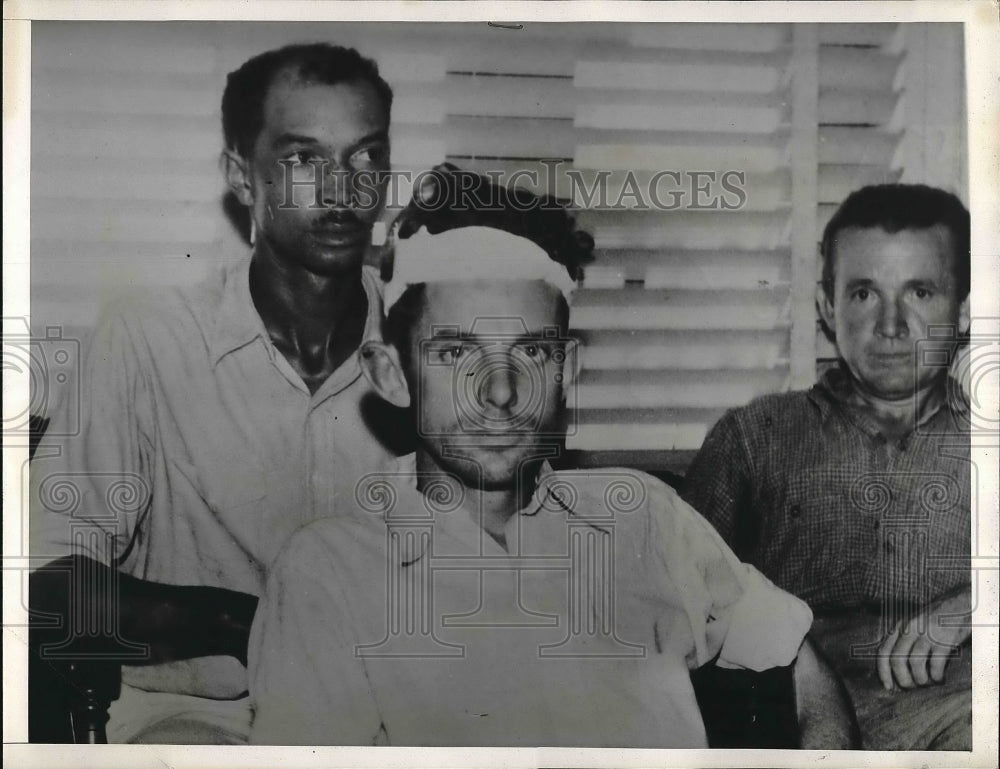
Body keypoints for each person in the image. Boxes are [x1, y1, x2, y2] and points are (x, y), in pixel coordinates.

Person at [247, 180, 858, 747]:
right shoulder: (328, 572)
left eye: (532, 352)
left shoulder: (643, 517)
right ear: (392, 374)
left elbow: (801, 665)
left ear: (566, 373)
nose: (500, 393)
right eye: (457, 352)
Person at [29, 43, 401, 744]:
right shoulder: (147, 341)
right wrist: (245, 621)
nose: (342, 189)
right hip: (203, 719)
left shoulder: (430, 350)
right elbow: (47, 580)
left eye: (364, 157)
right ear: (240, 175)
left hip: (393, 719)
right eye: (303, 158)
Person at [683, 184, 972, 750]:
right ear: (826, 308)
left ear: (961, 311)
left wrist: (978, 603)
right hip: (792, 725)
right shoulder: (754, 439)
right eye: (864, 294)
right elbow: (671, 602)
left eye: (920, 292)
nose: (891, 325)